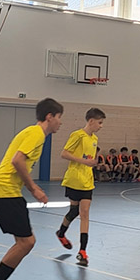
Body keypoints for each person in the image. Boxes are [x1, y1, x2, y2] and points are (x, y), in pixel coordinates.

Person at [0, 98, 64, 280]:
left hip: (6, 191)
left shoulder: (34, 133)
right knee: (27, 242)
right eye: (59, 118)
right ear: (49, 117)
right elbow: (17, 161)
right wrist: (34, 188)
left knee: (24, 242)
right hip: (5, 190)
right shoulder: (36, 134)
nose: (60, 122)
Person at [56, 108, 105, 266]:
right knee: (74, 211)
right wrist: (84, 161)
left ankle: (82, 251)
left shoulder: (94, 139)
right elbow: (64, 153)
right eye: (99, 122)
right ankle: (61, 233)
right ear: (91, 121)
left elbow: (89, 159)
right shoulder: (77, 135)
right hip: (74, 179)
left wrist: (93, 163)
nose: (101, 126)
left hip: (87, 181)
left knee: (84, 213)